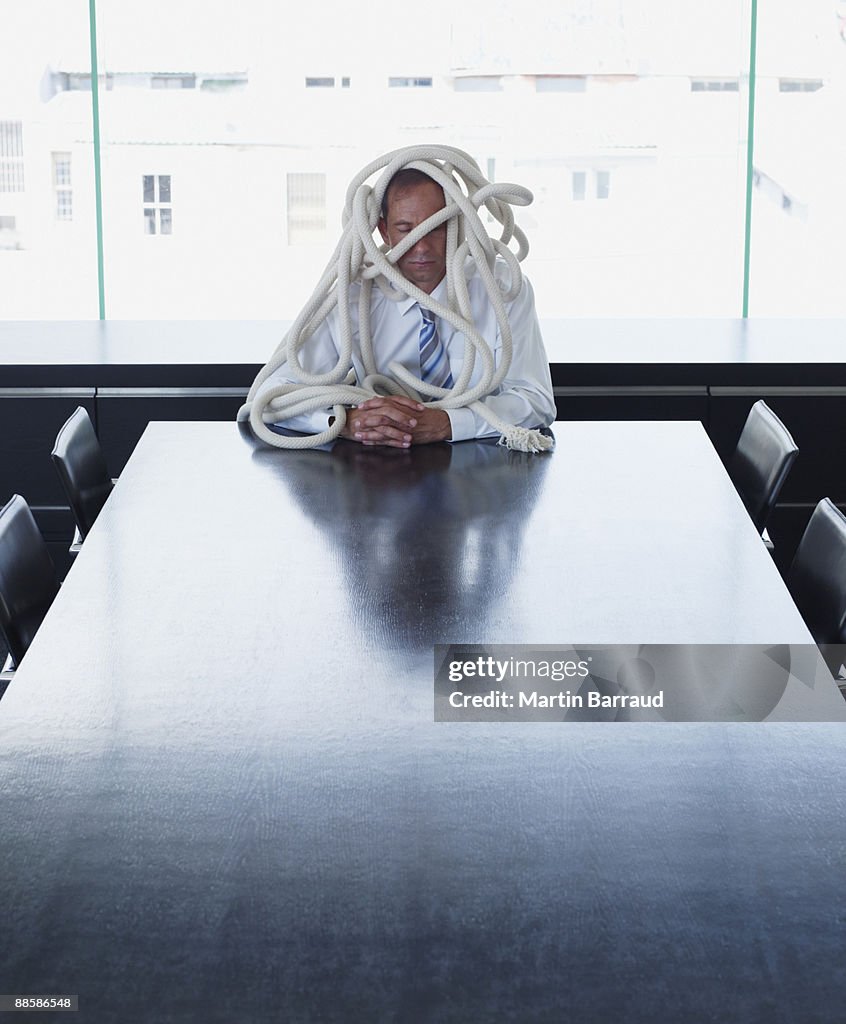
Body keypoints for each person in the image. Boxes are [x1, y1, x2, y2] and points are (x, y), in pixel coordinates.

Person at [259, 168, 555, 448]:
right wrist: (346, 423)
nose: (421, 246)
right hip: (375, 476)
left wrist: (447, 423)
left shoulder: (502, 288)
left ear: (457, 226)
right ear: (384, 232)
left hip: (482, 476)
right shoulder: (352, 296)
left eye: (436, 228)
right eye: (405, 229)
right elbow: (272, 395)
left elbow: (536, 400)